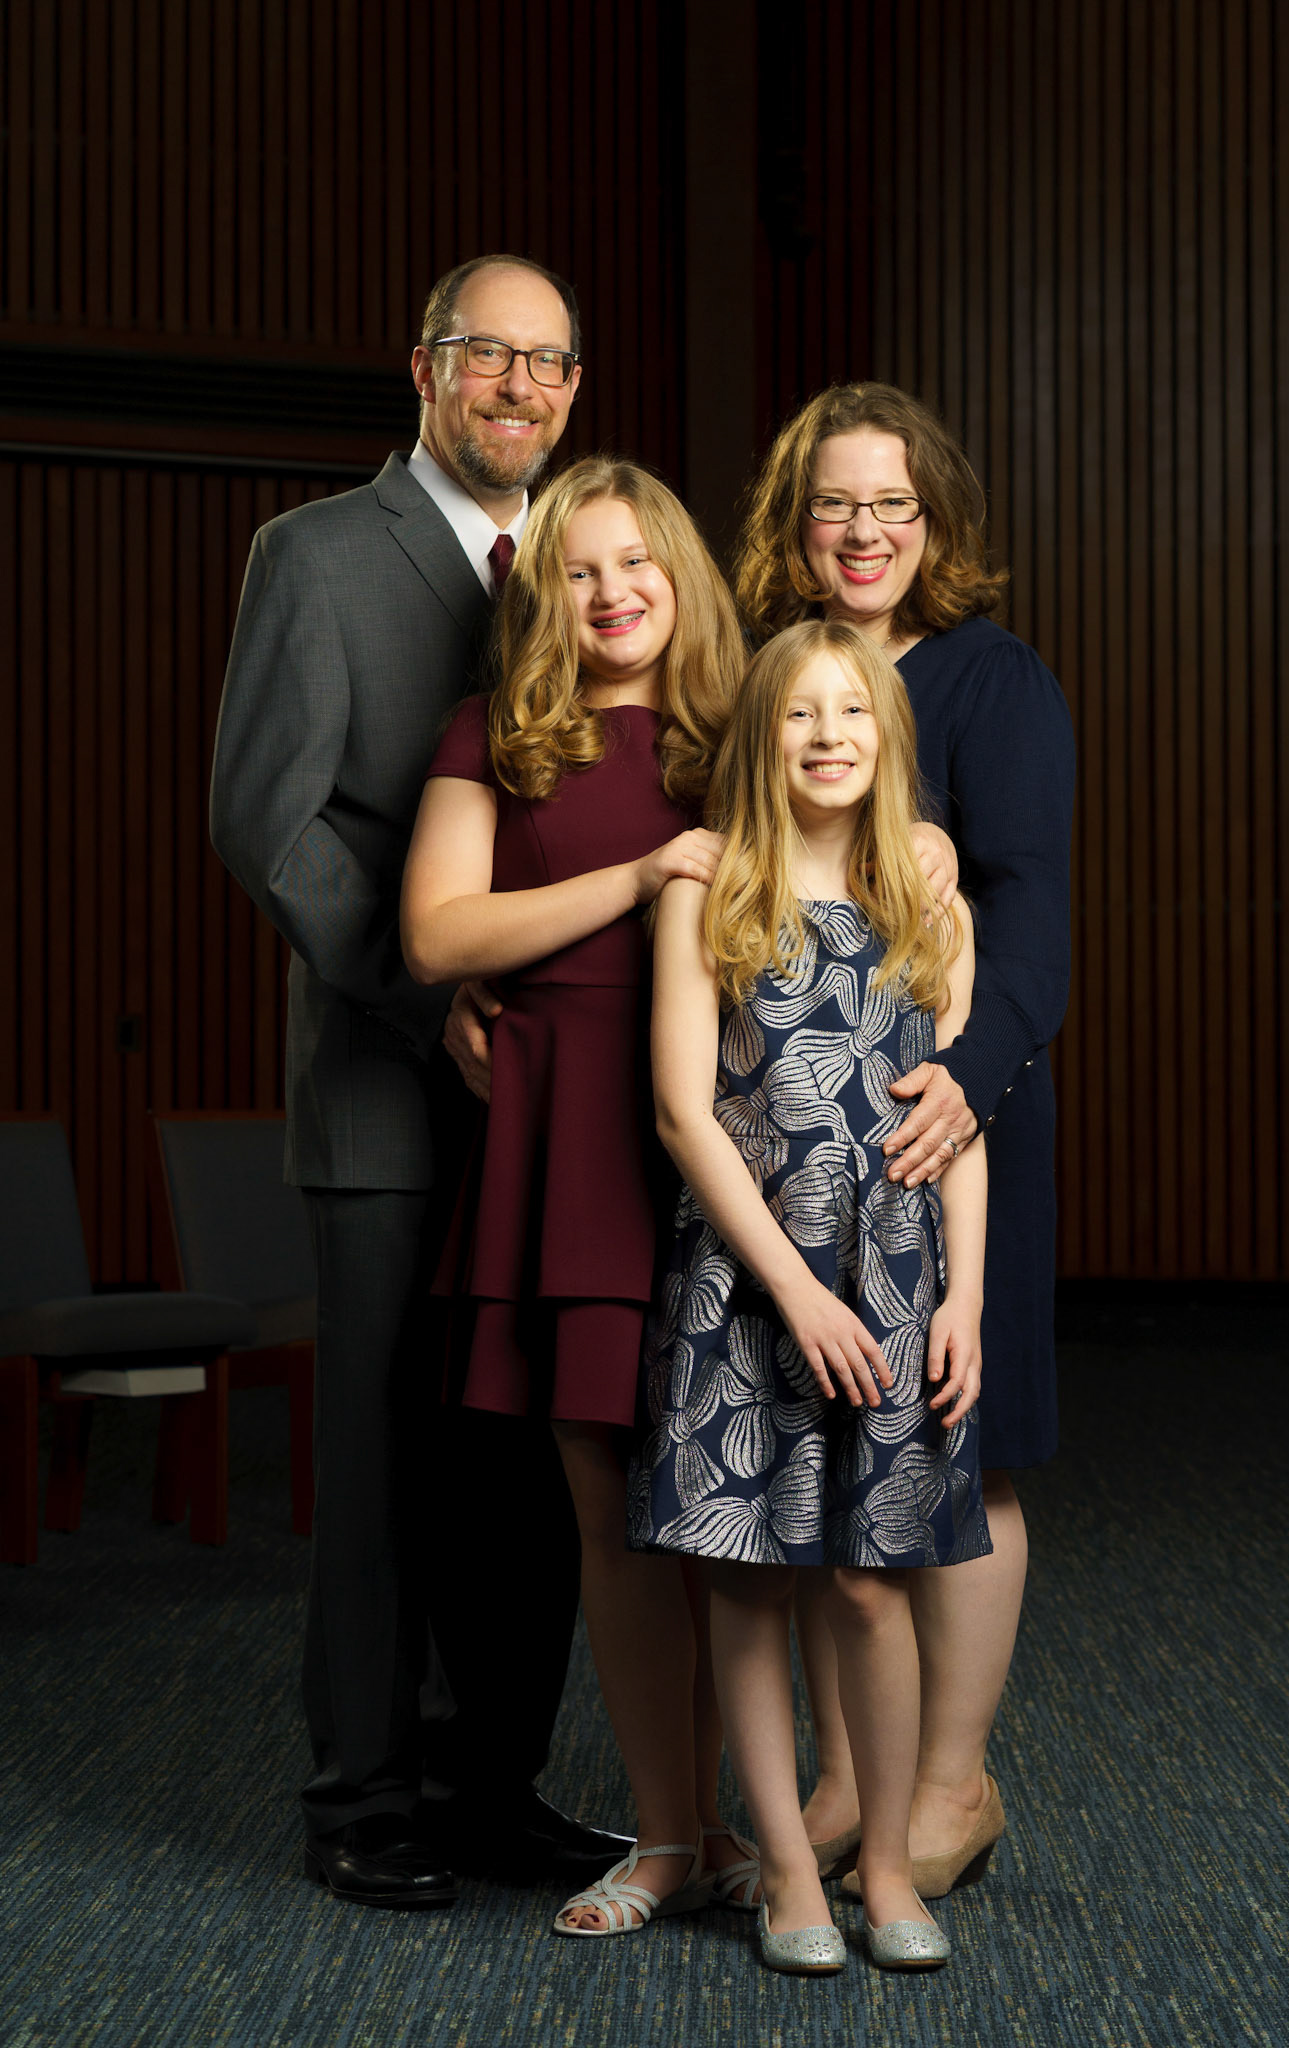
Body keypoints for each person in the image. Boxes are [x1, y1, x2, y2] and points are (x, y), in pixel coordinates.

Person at [210, 254, 628, 1907]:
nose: (521, 388)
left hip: (562, 1110)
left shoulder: (589, 565)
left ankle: (496, 1781)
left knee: (529, 1465)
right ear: (424, 370)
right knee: (386, 1466)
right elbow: (267, 822)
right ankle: (364, 1798)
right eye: (488, 358)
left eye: (551, 363)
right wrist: (417, 996)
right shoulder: (314, 560)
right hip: (395, 1100)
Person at [401, 457, 756, 1938]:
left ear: (680, 574)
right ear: (548, 592)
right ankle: (668, 1840)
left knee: (735, 1519)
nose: (612, 595)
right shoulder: (496, 734)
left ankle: (752, 1831)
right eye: (582, 571)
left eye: (638, 566)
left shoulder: (742, 733)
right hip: (567, 1164)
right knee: (610, 1518)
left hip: (727, 1150)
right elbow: (436, 932)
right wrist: (638, 875)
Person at [733, 384, 1074, 1901]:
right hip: (791, 1141)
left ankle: (950, 1788)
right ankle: (843, 1781)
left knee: (963, 1442)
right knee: (819, 1456)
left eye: (892, 504)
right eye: (833, 503)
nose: (862, 531)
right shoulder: (769, 676)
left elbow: (1036, 914)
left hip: (955, 1117)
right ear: (794, 526)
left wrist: (966, 1077)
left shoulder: (996, 683)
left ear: (932, 523)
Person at [631, 620, 990, 1974]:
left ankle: (885, 1862)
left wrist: (955, 1302)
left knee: (870, 1588)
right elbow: (681, 1108)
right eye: (801, 715)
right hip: (751, 1284)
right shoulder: (711, 888)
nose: (830, 733)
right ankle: (786, 1867)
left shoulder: (928, 900)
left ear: (888, 740)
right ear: (762, 739)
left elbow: (958, 1120)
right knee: (752, 1588)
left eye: (855, 711)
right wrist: (792, 1289)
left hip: (896, 1289)